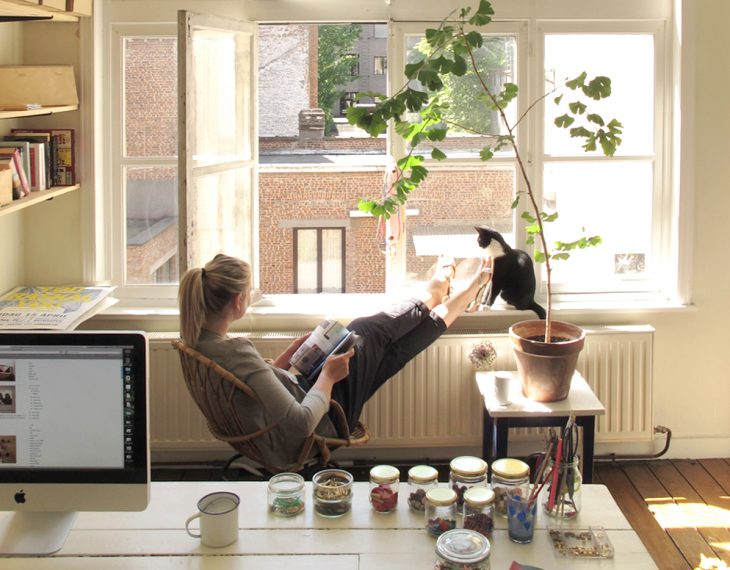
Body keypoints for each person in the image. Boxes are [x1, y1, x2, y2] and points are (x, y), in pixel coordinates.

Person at [178, 253, 492, 471]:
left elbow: (252, 385)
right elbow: (300, 423)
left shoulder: (198, 343)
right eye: (249, 293)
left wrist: (289, 357)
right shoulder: (236, 350)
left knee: (388, 355)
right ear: (237, 302)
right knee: (368, 331)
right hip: (316, 423)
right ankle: (438, 290)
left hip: (286, 410)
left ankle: (463, 290)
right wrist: (327, 376)